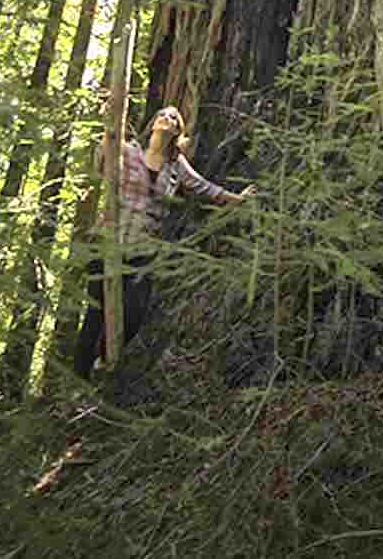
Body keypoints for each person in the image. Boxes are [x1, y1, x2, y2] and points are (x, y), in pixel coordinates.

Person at [73, 106, 253, 379]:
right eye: (163, 115)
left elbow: (203, 186)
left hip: (143, 248)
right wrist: (108, 134)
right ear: (154, 123)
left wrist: (236, 199)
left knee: (134, 312)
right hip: (108, 241)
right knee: (95, 313)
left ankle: (103, 360)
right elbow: (100, 165)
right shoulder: (128, 150)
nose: (167, 119)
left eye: (173, 118)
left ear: (177, 131)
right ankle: (78, 379)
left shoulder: (175, 165)